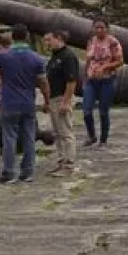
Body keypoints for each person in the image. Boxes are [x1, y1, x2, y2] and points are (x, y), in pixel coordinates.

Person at [0, 24, 51, 183]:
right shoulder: (36, 58)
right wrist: (47, 101)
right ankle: (28, 172)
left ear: (13, 37)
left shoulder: (2, 55)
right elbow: (43, 82)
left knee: (9, 138)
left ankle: (9, 173)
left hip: (9, 103)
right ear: (27, 37)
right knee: (29, 138)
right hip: (28, 103)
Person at [82, 17, 123, 147]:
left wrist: (105, 67)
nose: (99, 30)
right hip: (91, 79)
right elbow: (88, 59)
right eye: (97, 27)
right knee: (87, 110)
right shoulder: (91, 40)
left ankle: (103, 140)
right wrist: (85, 76)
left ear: (107, 28)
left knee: (103, 111)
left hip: (107, 80)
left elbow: (120, 61)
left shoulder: (113, 42)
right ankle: (92, 136)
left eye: (102, 27)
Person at [44, 29, 80, 175]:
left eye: (49, 40)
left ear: (58, 38)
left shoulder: (68, 56)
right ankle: (61, 160)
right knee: (57, 133)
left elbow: (71, 81)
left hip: (61, 97)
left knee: (65, 132)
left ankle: (69, 164)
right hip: (53, 98)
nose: (47, 43)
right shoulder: (55, 56)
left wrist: (66, 101)